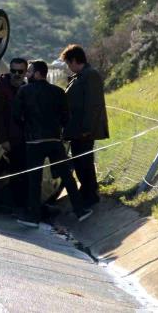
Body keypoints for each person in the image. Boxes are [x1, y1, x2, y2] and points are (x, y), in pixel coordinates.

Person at [12, 60, 93, 227]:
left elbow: (16, 116)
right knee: (67, 176)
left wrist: (26, 128)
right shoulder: (58, 92)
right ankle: (80, 210)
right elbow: (66, 117)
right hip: (55, 140)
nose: (26, 75)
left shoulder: (24, 91)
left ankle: (33, 216)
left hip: (33, 141)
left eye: (29, 72)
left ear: (38, 73)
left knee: (34, 180)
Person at [60, 44, 109, 208]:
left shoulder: (90, 75)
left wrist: (86, 129)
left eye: (68, 63)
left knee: (85, 162)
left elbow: (92, 105)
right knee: (80, 162)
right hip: (76, 130)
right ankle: (86, 190)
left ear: (74, 60)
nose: (69, 67)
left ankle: (90, 192)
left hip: (84, 130)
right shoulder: (80, 76)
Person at [0, 57, 29, 212]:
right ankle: (15, 205)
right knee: (16, 172)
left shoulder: (27, 88)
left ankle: (22, 204)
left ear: (25, 72)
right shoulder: (2, 89)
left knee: (25, 173)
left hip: (26, 138)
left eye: (20, 71)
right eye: (13, 71)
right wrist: (3, 139)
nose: (16, 74)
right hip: (11, 139)